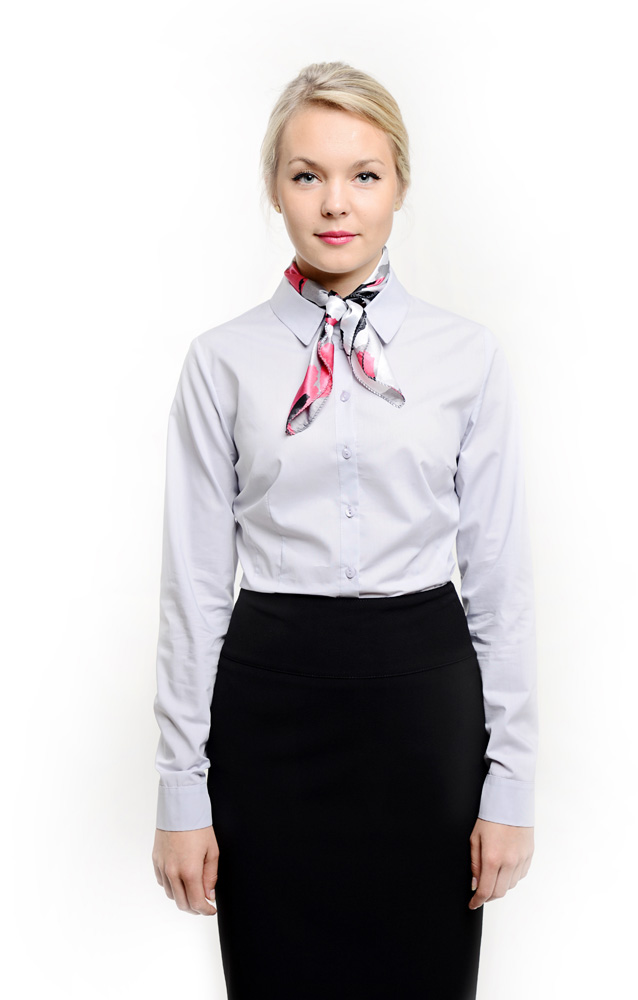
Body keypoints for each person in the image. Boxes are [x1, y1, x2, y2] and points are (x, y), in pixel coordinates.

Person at [151, 60, 537, 1000]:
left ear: (399, 184)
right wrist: (180, 792)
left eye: (364, 174)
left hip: (425, 712)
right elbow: (193, 588)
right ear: (273, 187)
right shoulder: (221, 362)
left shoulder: (467, 356)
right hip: (270, 709)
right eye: (306, 174)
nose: (336, 202)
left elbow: (500, 582)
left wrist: (512, 785)